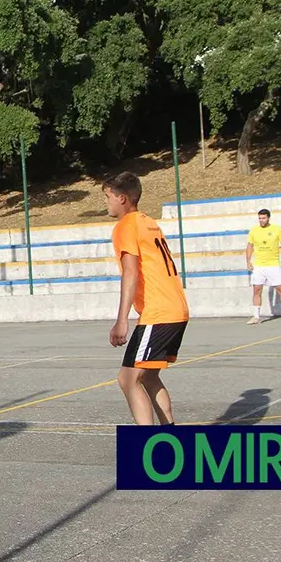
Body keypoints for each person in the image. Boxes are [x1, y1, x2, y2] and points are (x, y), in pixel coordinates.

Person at [104, 172, 190, 426]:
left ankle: (149, 448)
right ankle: (170, 438)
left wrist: (122, 320)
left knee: (127, 379)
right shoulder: (148, 222)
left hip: (159, 312)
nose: (106, 203)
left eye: (107, 197)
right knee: (149, 377)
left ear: (122, 199)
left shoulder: (125, 226)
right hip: (176, 308)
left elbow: (130, 271)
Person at [245, 209, 281, 324]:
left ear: (268, 218)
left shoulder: (276, 229)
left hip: (273, 264)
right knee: (257, 290)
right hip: (259, 266)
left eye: (263, 218)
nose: (261, 220)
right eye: (259, 218)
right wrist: (248, 261)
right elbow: (249, 246)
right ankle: (256, 316)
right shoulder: (254, 231)